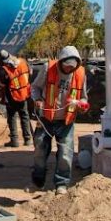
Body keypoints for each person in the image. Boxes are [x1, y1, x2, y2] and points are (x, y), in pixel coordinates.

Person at [30, 45, 89, 194]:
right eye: (66, 66)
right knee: (40, 150)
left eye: (72, 67)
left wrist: (82, 105)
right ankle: (38, 180)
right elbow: (35, 87)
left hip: (66, 121)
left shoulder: (80, 74)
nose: (69, 69)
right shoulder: (48, 69)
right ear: (61, 62)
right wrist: (37, 99)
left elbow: (83, 98)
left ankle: (61, 184)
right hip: (45, 119)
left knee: (65, 154)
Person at [0, 49, 33, 148]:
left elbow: (2, 84)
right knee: (24, 116)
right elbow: (30, 73)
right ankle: (28, 139)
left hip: (12, 96)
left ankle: (14, 140)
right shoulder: (22, 62)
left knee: (12, 117)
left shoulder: (3, 69)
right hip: (23, 93)